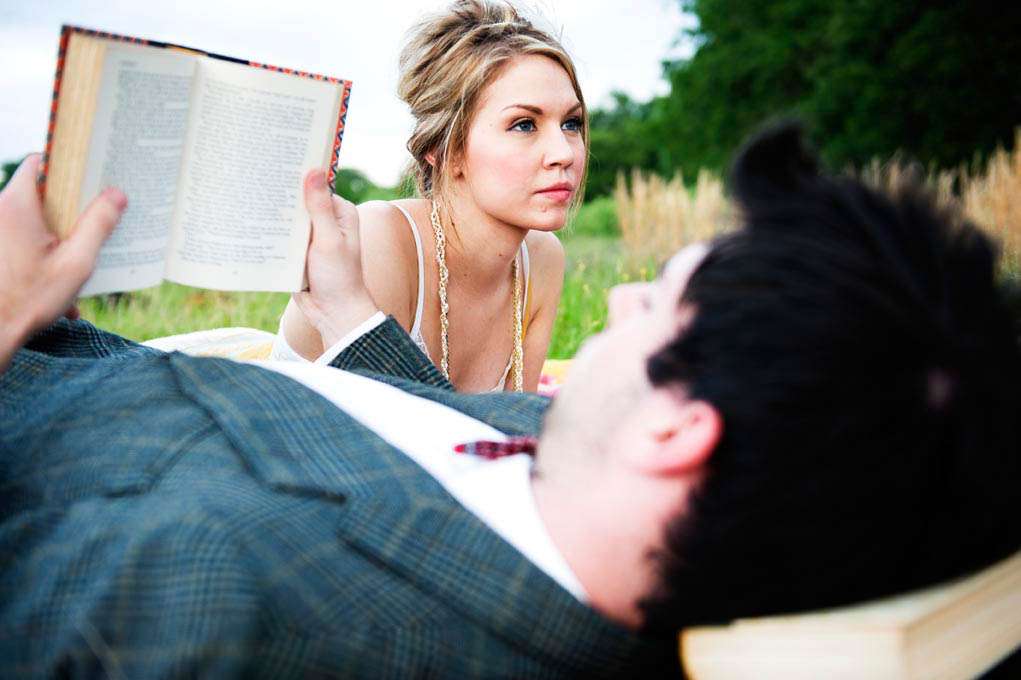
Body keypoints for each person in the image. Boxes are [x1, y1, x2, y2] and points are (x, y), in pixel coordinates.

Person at [1, 123, 1018, 677]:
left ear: (677, 429)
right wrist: (350, 312)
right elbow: (451, 448)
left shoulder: (197, 588)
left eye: (660, 299)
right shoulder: (599, 487)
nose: (622, 296)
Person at [274, 0, 580, 393]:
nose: (564, 153)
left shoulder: (542, 259)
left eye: (571, 123)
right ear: (444, 151)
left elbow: (510, 421)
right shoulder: (380, 242)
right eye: (524, 125)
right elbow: (376, 427)